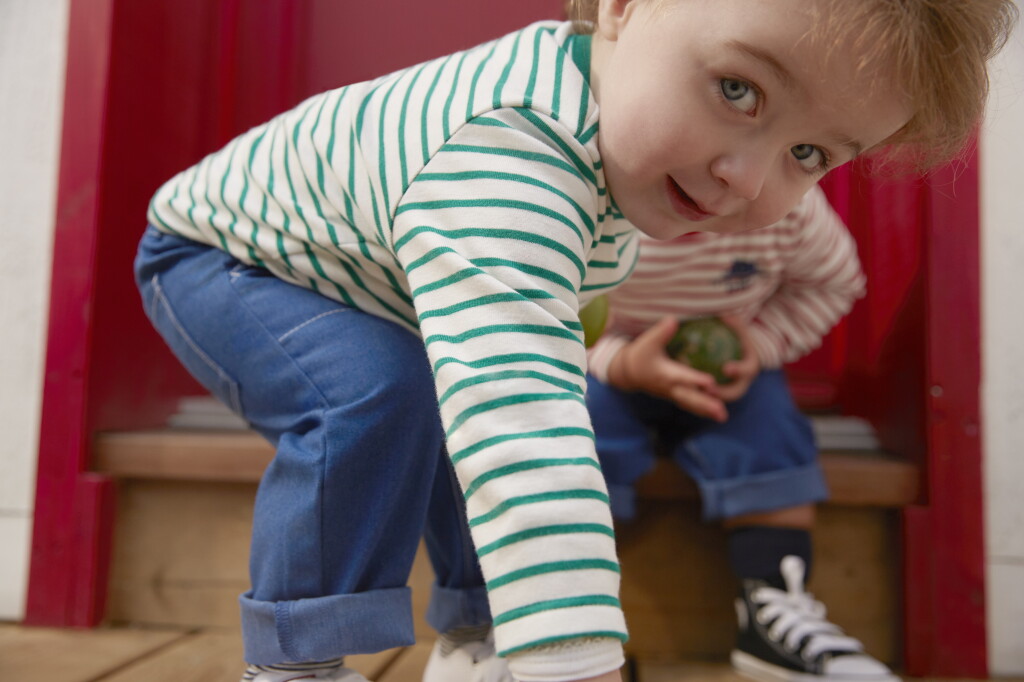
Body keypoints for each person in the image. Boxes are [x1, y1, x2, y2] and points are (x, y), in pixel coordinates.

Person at [132, 0, 1016, 680]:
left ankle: (484, 638)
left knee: (452, 385)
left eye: (812, 154)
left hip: (359, 283)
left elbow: (534, 365)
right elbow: (517, 413)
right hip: (224, 258)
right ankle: (297, 660)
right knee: (382, 390)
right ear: (626, 6)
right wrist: (576, 654)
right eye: (738, 89)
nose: (746, 179)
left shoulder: (623, 143)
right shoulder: (513, 148)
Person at [585, 184, 897, 681]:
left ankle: (771, 608)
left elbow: (835, 283)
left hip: (732, 372)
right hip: (609, 363)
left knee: (770, 430)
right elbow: (546, 310)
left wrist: (760, 343)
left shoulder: (787, 206)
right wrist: (618, 363)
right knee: (574, 439)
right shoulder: (596, 201)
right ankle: (568, 604)